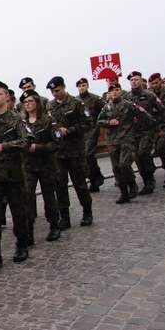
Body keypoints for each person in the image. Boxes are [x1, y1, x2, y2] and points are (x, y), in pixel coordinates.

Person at [0, 81, 33, 265]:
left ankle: (22, 245)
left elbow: (27, 141)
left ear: (7, 97)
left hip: (14, 174)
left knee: (19, 211)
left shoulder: (17, 119)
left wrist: (5, 146)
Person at [47, 76, 94, 228]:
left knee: (80, 183)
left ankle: (87, 212)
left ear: (64, 87)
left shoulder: (76, 103)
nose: (55, 94)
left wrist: (70, 130)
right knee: (60, 185)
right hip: (58, 153)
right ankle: (64, 217)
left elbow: (88, 124)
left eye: (57, 90)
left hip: (75, 151)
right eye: (53, 92)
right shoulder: (50, 106)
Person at [97, 82, 155, 203]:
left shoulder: (128, 104)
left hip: (127, 139)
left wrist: (154, 129)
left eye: (117, 89)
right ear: (109, 93)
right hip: (113, 142)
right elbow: (99, 121)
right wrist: (108, 123)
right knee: (116, 168)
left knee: (124, 164)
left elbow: (144, 115)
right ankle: (124, 193)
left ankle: (132, 184)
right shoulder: (107, 107)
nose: (115, 92)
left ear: (121, 91)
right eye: (112, 90)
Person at [124, 71, 165, 194]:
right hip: (133, 132)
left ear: (141, 81)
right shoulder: (126, 97)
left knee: (144, 153)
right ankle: (147, 179)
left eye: (136, 79)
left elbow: (164, 110)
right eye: (132, 80)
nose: (134, 82)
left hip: (148, 131)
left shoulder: (149, 95)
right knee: (138, 157)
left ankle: (164, 175)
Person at [20, 90, 61, 242]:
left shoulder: (48, 120)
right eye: (25, 102)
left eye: (30, 101)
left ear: (37, 103)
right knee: (27, 198)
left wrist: (38, 147)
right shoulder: (22, 123)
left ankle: (54, 226)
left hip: (46, 165)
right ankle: (29, 231)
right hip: (28, 166)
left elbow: (56, 142)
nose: (28, 104)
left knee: (49, 196)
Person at [75, 78, 106, 192]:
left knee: (88, 154)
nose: (82, 88)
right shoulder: (76, 100)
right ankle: (95, 178)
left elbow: (105, 110)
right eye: (79, 86)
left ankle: (95, 176)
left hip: (93, 130)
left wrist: (101, 123)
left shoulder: (95, 98)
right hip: (82, 133)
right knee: (86, 157)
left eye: (83, 85)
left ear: (87, 86)